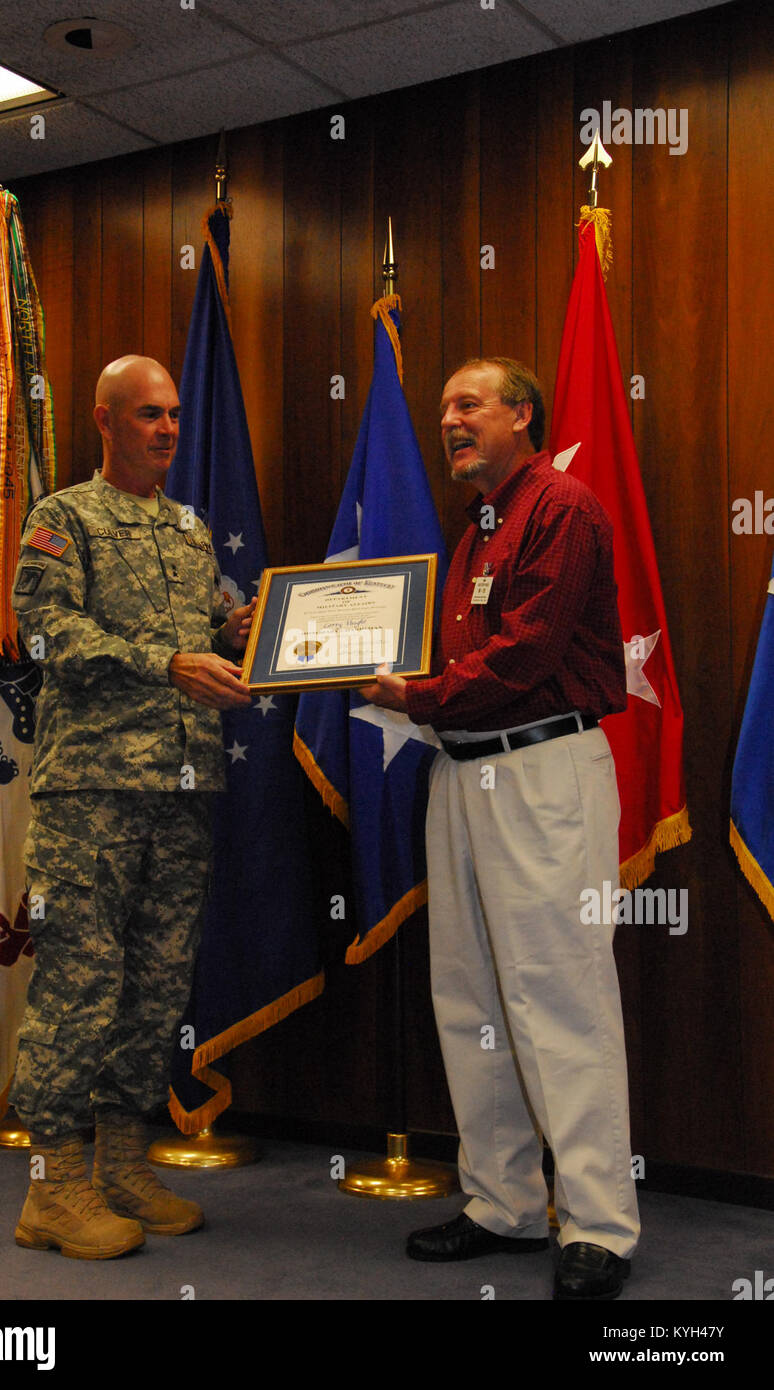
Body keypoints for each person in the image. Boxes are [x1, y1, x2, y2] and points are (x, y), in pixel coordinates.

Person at [362, 357, 640, 1300]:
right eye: (442, 407)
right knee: (472, 999)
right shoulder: (481, 524)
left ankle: (599, 1223)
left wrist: (416, 692)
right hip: (465, 770)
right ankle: (504, 1203)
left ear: (523, 414)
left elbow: (527, 653)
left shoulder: (560, 508)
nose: (448, 420)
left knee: (560, 998)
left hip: (543, 769)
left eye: (468, 403)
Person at [9, 355, 254, 1259]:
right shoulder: (62, 517)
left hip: (182, 790)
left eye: (176, 416)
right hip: (92, 794)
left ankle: (117, 1161)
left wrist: (229, 634)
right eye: (148, 415)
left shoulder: (191, 532)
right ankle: (53, 1185)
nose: (167, 430)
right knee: (79, 986)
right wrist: (167, 664)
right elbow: (46, 633)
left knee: (155, 991)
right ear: (105, 420)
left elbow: (191, 636)